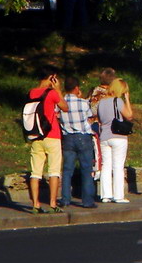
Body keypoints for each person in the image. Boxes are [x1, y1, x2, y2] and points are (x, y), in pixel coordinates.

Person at [26, 66, 69, 213]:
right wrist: (58, 89)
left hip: (36, 135)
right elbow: (65, 107)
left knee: (35, 172)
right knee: (54, 171)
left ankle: (35, 204)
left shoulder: (31, 93)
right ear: (52, 78)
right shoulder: (51, 93)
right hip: (52, 135)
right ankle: (52, 203)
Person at [58, 76, 96, 209]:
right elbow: (90, 117)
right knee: (86, 169)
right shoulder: (83, 103)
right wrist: (81, 97)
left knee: (67, 170)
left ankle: (65, 199)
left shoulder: (60, 103)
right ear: (77, 88)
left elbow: (57, 116)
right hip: (83, 137)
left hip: (67, 137)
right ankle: (87, 201)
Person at [96, 77, 133, 203]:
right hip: (118, 137)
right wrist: (127, 99)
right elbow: (129, 115)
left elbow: (100, 120)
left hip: (104, 137)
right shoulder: (118, 101)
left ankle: (105, 195)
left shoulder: (101, 102)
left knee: (105, 165)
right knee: (118, 166)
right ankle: (118, 196)